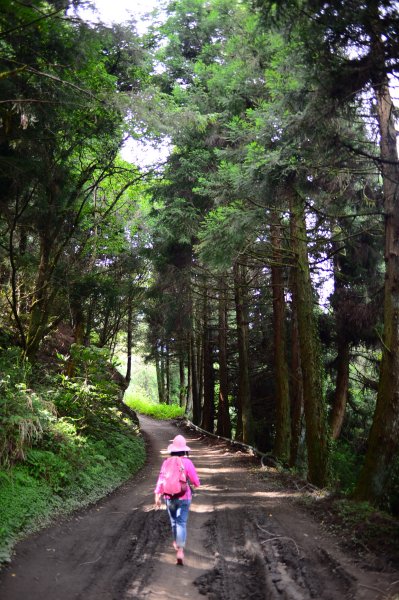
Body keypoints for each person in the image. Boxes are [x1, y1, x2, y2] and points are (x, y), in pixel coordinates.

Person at [154, 434, 200, 566]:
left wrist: (157, 495)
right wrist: (197, 484)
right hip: (184, 496)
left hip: (169, 497)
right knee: (181, 522)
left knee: (174, 522)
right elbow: (195, 480)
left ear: (172, 449)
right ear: (184, 450)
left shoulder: (166, 462)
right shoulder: (188, 462)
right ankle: (180, 550)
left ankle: (176, 541)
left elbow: (161, 479)